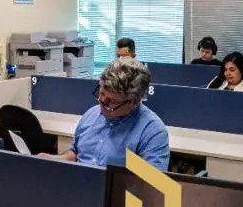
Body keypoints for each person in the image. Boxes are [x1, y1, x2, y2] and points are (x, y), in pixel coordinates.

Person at [41, 57, 170, 171]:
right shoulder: (91, 114)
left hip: (116, 191)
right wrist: (55, 159)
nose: (102, 102)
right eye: (101, 93)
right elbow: (75, 153)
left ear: (134, 101)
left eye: (112, 101)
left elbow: (153, 186)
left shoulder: (152, 132)